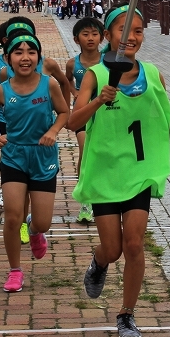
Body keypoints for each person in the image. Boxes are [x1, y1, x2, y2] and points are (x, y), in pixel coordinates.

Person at [67, 4, 170, 337]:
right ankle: (99, 262)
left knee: (134, 243)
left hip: (140, 170)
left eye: (138, 30)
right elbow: (73, 121)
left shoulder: (153, 73)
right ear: (108, 35)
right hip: (106, 171)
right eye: (124, 30)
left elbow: (163, 114)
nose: (132, 37)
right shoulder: (95, 75)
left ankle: (126, 314)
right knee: (113, 249)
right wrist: (98, 101)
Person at [0, 30, 69, 292]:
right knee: (12, 217)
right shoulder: (2, 90)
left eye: (31, 52)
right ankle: (14, 270)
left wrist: (53, 131)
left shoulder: (49, 84)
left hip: (43, 157)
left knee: (42, 221)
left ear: (38, 56)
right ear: (8, 58)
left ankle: (35, 231)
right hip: (14, 157)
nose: (25, 57)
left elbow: (64, 112)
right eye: (18, 53)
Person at [65, 17, 103, 223]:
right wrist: (75, 93)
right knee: (85, 151)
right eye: (85, 34)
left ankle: (106, 197)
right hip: (82, 114)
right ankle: (86, 202)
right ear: (76, 39)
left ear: (102, 38)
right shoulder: (73, 63)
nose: (90, 38)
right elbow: (67, 79)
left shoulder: (108, 61)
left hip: (105, 114)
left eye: (94, 34)